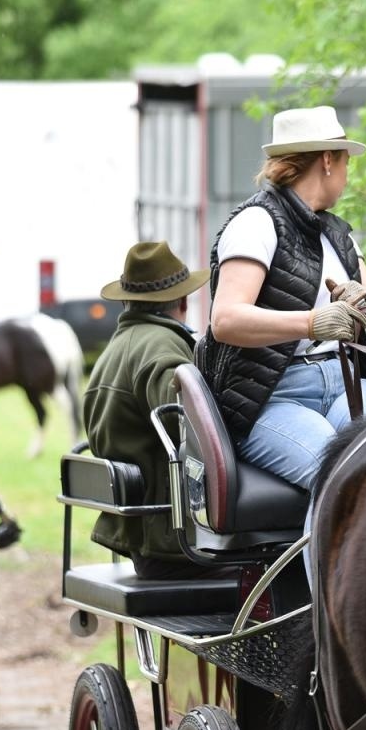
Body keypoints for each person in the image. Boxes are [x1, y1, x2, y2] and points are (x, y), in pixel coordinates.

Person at [196, 105, 366, 492]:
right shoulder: (256, 223)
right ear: (327, 160)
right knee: (341, 481)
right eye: (345, 163)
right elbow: (225, 321)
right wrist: (312, 322)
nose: (347, 175)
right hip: (271, 396)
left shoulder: (339, 236)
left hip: (345, 385)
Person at [82, 243, 210, 578]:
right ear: (183, 302)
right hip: (175, 543)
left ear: (127, 301)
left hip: (141, 535)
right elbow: (191, 432)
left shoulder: (116, 347)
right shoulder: (162, 347)